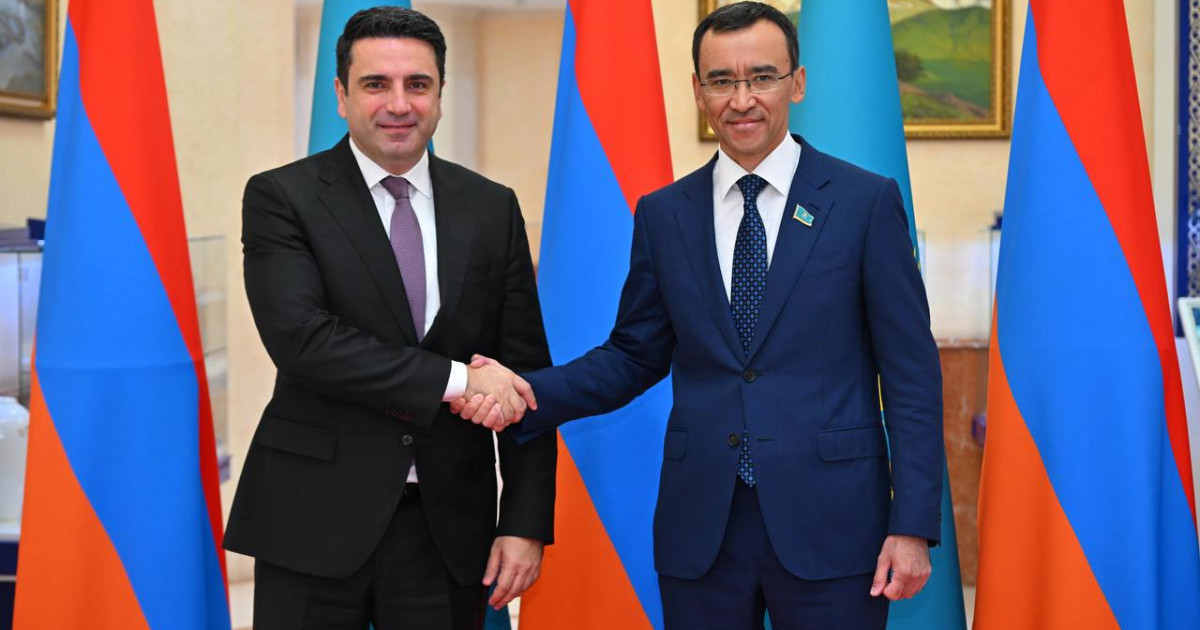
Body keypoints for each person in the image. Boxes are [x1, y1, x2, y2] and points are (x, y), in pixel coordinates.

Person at [454, 2, 943, 628]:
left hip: (835, 525)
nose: (742, 99)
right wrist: (525, 392)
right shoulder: (665, 214)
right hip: (703, 529)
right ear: (697, 90)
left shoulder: (864, 203)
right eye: (721, 80)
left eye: (761, 77)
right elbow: (633, 355)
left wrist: (912, 525)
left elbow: (910, 375)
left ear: (797, 82)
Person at [224, 7, 555, 630]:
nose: (398, 104)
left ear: (440, 93)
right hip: (312, 519)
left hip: (447, 528)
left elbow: (524, 373)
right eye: (376, 84)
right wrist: (461, 380)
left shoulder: (492, 208)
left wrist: (524, 522)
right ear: (341, 94)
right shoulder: (281, 197)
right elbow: (304, 342)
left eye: (417, 84)